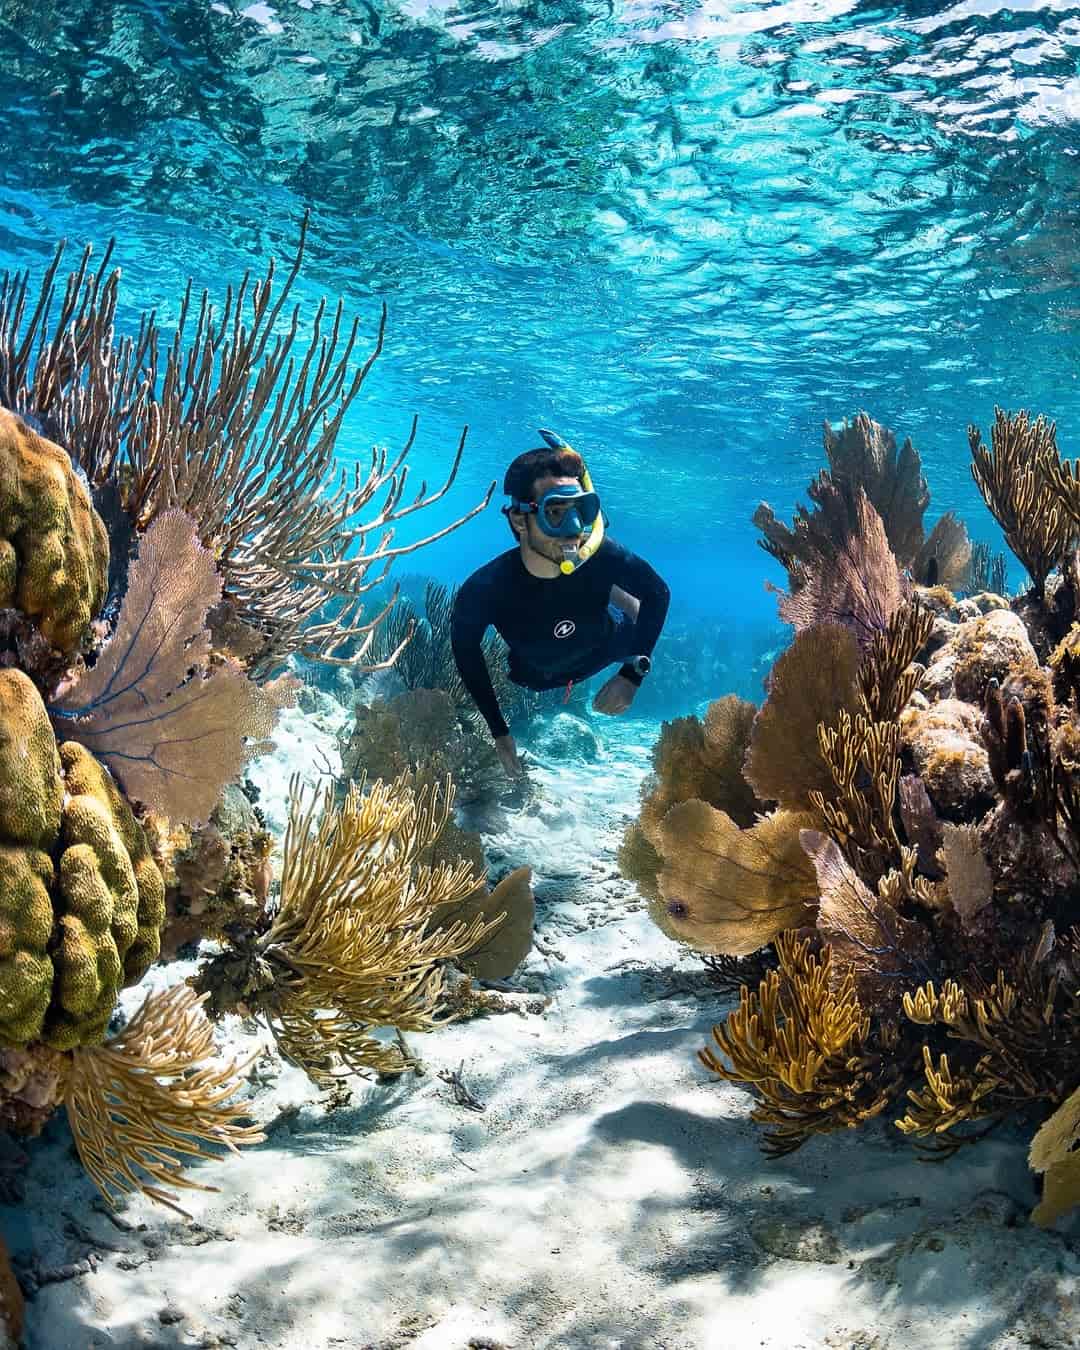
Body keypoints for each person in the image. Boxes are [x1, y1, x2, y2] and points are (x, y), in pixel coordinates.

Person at [451, 430, 671, 777]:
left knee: (634, 608)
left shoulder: (603, 555)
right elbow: (466, 650)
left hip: (606, 644)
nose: (573, 531)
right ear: (519, 519)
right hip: (535, 672)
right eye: (555, 512)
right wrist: (499, 731)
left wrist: (632, 673)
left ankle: (617, 595)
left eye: (580, 511)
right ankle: (613, 590)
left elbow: (658, 593)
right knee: (527, 673)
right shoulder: (486, 588)